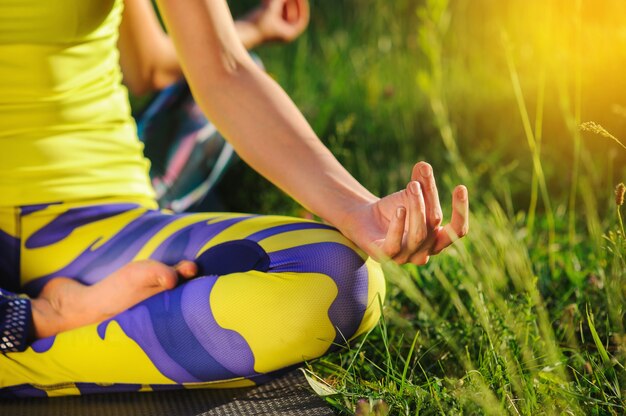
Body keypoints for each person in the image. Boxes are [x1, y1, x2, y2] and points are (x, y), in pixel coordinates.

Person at [0, 0, 468, 398]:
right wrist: (39, 316)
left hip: (98, 219)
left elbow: (202, 66)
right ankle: (40, 328)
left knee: (342, 278)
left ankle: (21, 353)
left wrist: (357, 209)